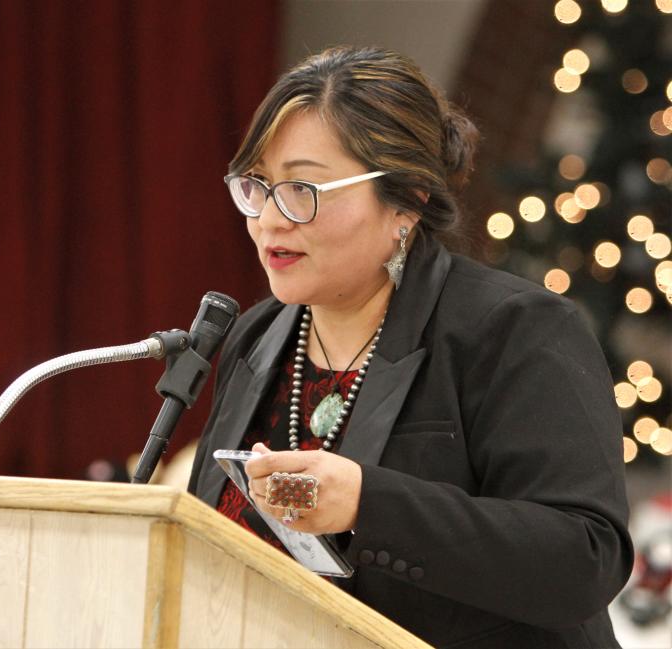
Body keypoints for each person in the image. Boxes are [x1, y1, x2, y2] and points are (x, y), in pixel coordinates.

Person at [187, 46, 633, 648]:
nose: (270, 219)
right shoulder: (258, 336)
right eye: (257, 185)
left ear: (407, 199)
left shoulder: (513, 330)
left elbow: (585, 557)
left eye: (302, 189)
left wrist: (369, 505)